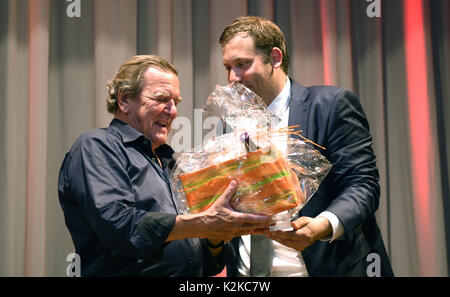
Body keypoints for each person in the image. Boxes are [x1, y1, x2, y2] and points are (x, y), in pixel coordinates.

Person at [58, 55, 272, 276]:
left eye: (175, 102)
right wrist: (203, 222)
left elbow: (203, 262)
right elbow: (120, 226)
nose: (173, 111)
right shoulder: (97, 146)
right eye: (161, 99)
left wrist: (215, 238)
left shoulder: (172, 162)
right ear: (123, 100)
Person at [219, 16, 394, 277]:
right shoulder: (232, 123)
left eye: (243, 64)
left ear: (275, 59)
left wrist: (322, 225)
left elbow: (363, 185)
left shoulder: (330, 105)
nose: (233, 78)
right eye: (228, 67)